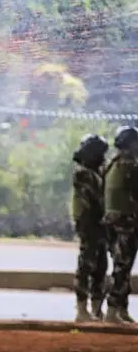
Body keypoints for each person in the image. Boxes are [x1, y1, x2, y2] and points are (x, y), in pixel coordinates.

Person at [70, 134, 110, 321]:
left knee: (101, 266)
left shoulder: (95, 171)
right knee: (87, 265)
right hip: (89, 224)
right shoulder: (83, 173)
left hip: (98, 224)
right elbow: (97, 198)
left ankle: (96, 308)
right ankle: (82, 309)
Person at [102, 125, 138, 323]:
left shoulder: (112, 163)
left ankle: (120, 309)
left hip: (112, 222)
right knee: (122, 266)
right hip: (127, 222)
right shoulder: (130, 165)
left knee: (120, 265)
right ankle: (113, 310)